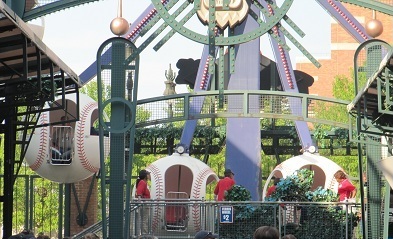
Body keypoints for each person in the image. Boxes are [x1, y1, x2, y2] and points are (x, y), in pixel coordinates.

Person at [136, 169, 151, 235]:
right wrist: (140, 203)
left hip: (145, 204)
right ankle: (144, 235)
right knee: (144, 221)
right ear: (145, 176)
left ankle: (144, 234)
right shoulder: (142, 182)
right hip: (144, 204)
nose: (149, 175)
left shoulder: (143, 182)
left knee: (145, 221)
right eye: (148, 174)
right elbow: (139, 193)